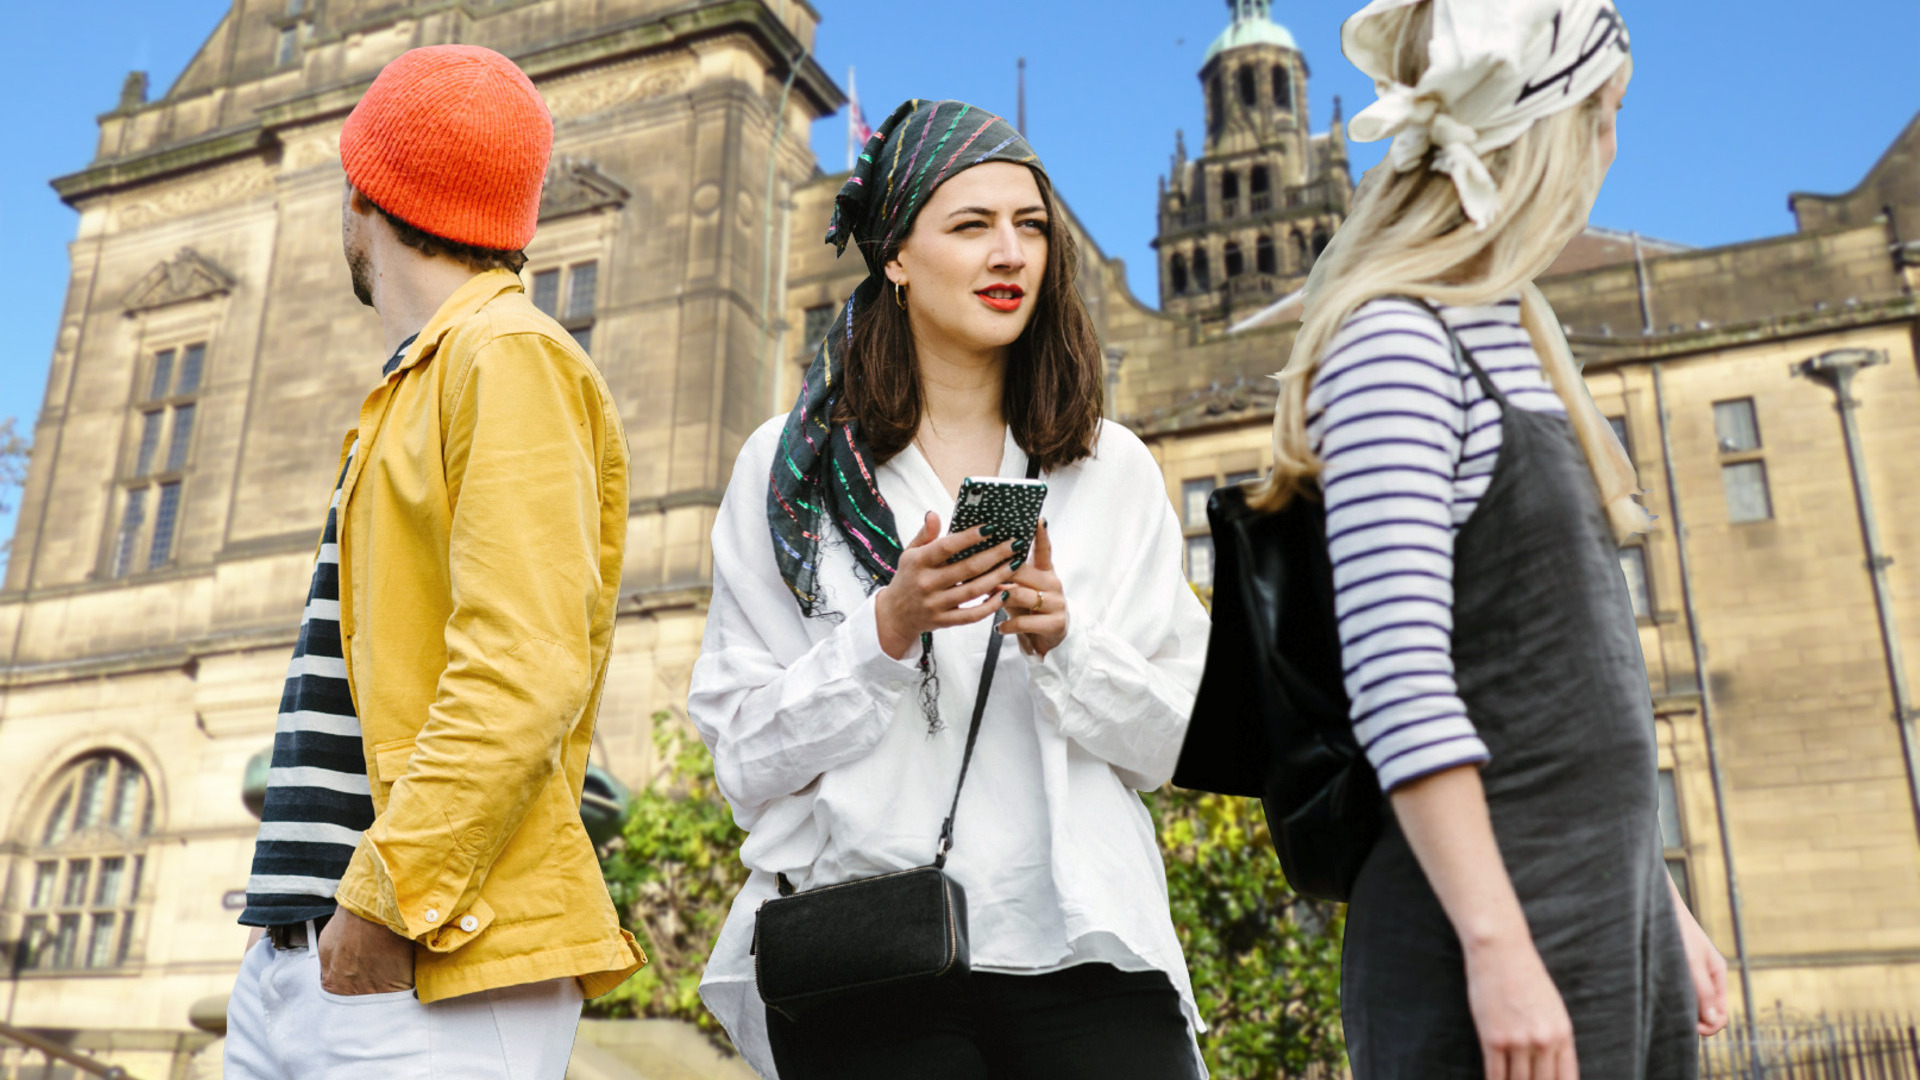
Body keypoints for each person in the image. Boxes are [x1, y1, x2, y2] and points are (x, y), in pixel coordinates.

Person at [1253, 2, 1731, 1077]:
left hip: (1600, 911)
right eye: (1606, 112)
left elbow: (1569, 682)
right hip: (1498, 918)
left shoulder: (1507, 335)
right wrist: (1497, 947)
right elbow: (1400, 682)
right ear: (1548, 128)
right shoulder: (1394, 340)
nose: (1613, 147)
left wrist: (1658, 902)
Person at [688, 99, 1210, 1080]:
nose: (1010, 253)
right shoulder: (791, 468)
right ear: (894, 255)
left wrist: (1068, 646)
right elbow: (744, 759)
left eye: (1030, 226)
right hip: (868, 942)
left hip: (1086, 939)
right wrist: (885, 632)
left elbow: (1179, 739)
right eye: (972, 225)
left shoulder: (1112, 469)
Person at [224, 45, 644, 1079]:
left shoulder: (508, 356)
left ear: (363, 194)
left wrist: (386, 898)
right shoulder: (423, 377)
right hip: (304, 953)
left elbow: (522, 665)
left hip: (426, 961)